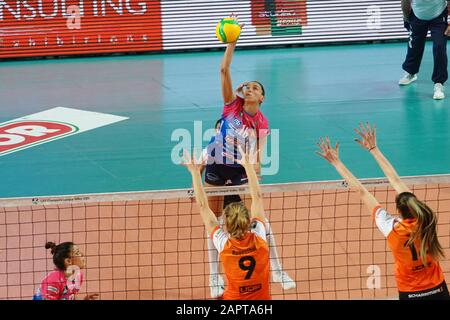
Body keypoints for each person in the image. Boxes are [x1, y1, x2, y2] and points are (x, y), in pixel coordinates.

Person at [203, 14, 295, 297]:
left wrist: (255, 172)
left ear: (262, 98)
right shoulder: (231, 106)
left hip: (242, 171)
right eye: (248, 86)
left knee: (260, 222)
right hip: (218, 166)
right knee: (216, 222)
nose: (250, 89)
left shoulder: (262, 121)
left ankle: (278, 270)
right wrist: (232, 42)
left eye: (256, 88)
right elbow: (223, 71)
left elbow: (260, 152)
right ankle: (214, 277)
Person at [316, 123, 449, 300]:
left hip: (410, 292)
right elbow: (395, 180)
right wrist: (374, 149)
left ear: (399, 212)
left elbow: (361, 192)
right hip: (438, 290)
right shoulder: (427, 218)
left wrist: (336, 162)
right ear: (415, 205)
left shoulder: (391, 228)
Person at [183, 146, 271, 300]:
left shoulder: (224, 244)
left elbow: (203, 206)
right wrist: (248, 166)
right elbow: (257, 196)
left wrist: (196, 174)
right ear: (248, 221)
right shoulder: (259, 235)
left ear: (227, 226)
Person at [399, 0, 450, 99]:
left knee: (439, 46)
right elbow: (405, 2)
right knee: (414, 45)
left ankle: (439, 83)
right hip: (417, 16)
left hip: (438, 16)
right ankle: (411, 73)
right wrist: (406, 18)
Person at [33, 242, 99, 300]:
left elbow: (69, 297)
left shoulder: (78, 275)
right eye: (77, 253)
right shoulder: (54, 281)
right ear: (68, 261)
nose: (82, 254)